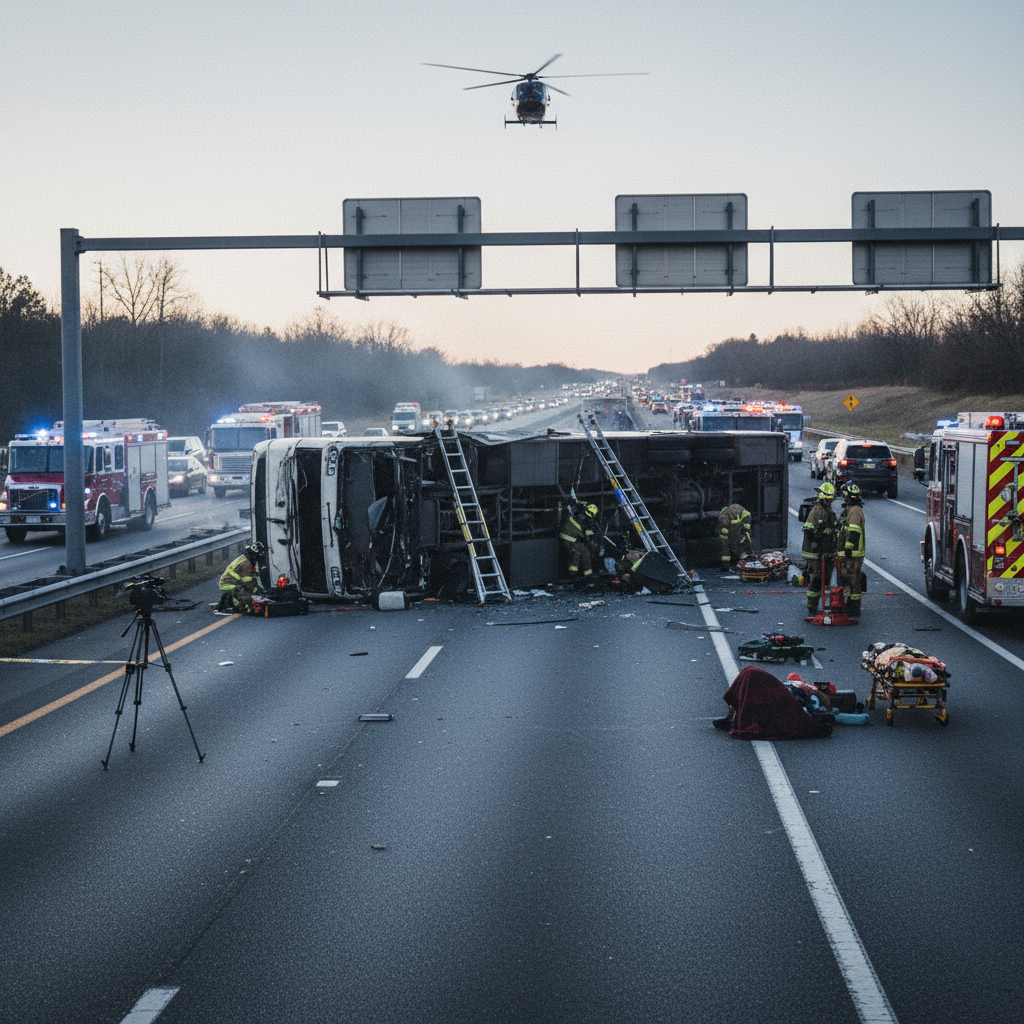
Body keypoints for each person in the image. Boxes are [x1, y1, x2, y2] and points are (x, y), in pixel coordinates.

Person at [801, 481, 839, 615]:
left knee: (825, 579)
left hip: (826, 552)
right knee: (816, 579)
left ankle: (824, 604)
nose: (829, 501)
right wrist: (818, 540)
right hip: (815, 553)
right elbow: (808, 530)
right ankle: (812, 605)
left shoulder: (829, 512)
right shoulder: (817, 510)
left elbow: (833, 531)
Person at [838, 483, 866, 616]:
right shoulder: (850, 510)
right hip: (849, 553)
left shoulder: (854, 511)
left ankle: (854, 608)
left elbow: (854, 531)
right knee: (847, 580)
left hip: (853, 554)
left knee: (853, 580)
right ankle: (848, 604)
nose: (843, 497)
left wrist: (848, 548)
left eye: (844, 495)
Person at [218, 541, 265, 613]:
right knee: (248, 600)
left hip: (227, 582)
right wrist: (258, 591)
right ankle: (231, 605)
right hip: (229, 584)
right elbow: (247, 582)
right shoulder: (247, 564)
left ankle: (228, 601)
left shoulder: (244, 558)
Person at [560, 502, 600, 583]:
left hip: (574, 539)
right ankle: (575, 576)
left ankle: (585, 575)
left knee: (584, 553)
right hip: (570, 540)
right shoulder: (580, 519)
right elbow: (583, 532)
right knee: (580, 553)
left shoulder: (580, 514)